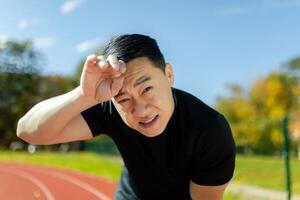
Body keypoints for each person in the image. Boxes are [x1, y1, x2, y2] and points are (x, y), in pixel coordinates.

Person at [17, 34, 236, 200]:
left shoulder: (210, 130)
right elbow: (28, 131)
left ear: (169, 75)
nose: (140, 111)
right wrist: (84, 96)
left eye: (147, 89)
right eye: (124, 99)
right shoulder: (109, 103)